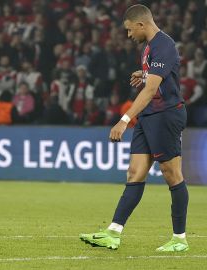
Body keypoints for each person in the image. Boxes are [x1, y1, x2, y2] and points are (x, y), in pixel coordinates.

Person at [80, 4, 189, 252]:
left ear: (142, 24)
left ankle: (179, 239)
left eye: (130, 30)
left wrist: (124, 119)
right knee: (134, 173)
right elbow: (157, 80)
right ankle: (113, 233)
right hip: (150, 116)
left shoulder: (164, 44)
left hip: (166, 115)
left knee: (172, 175)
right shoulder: (149, 47)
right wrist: (145, 73)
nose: (129, 36)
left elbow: (151, 90)